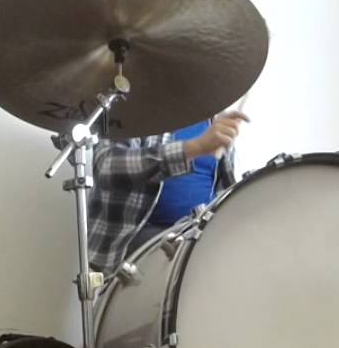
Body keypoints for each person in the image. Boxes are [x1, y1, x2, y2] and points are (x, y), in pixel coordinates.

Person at [87, 111, 249, 273]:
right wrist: (195, 148)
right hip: (133, 238)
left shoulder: (214, 122)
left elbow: (223, 191)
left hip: (195, 232)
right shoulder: (132, 108)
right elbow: (107, 166)